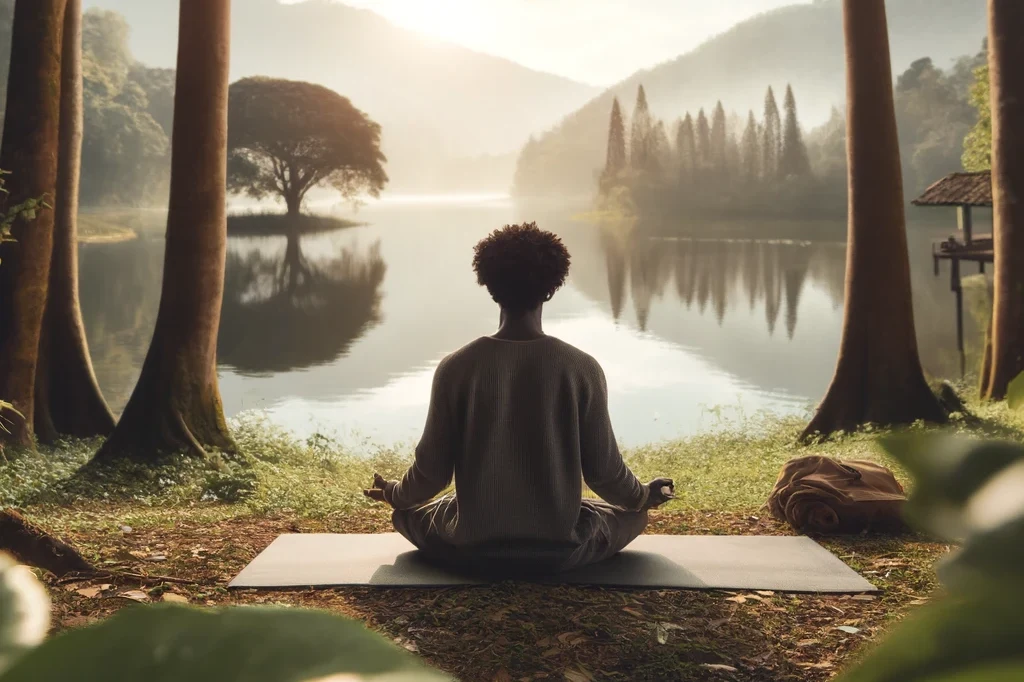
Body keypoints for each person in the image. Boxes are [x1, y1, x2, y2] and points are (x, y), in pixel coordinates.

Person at [363, 222, 674, 576]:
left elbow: (430, 475)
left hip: (472, 552)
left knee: (407, 514)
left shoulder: (455, 367)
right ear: (551, 289)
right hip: (558, 554)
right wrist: (642, 497)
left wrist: (393, 494)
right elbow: (605, 475)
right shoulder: (582, 368)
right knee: (630, 516)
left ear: (490, 287)